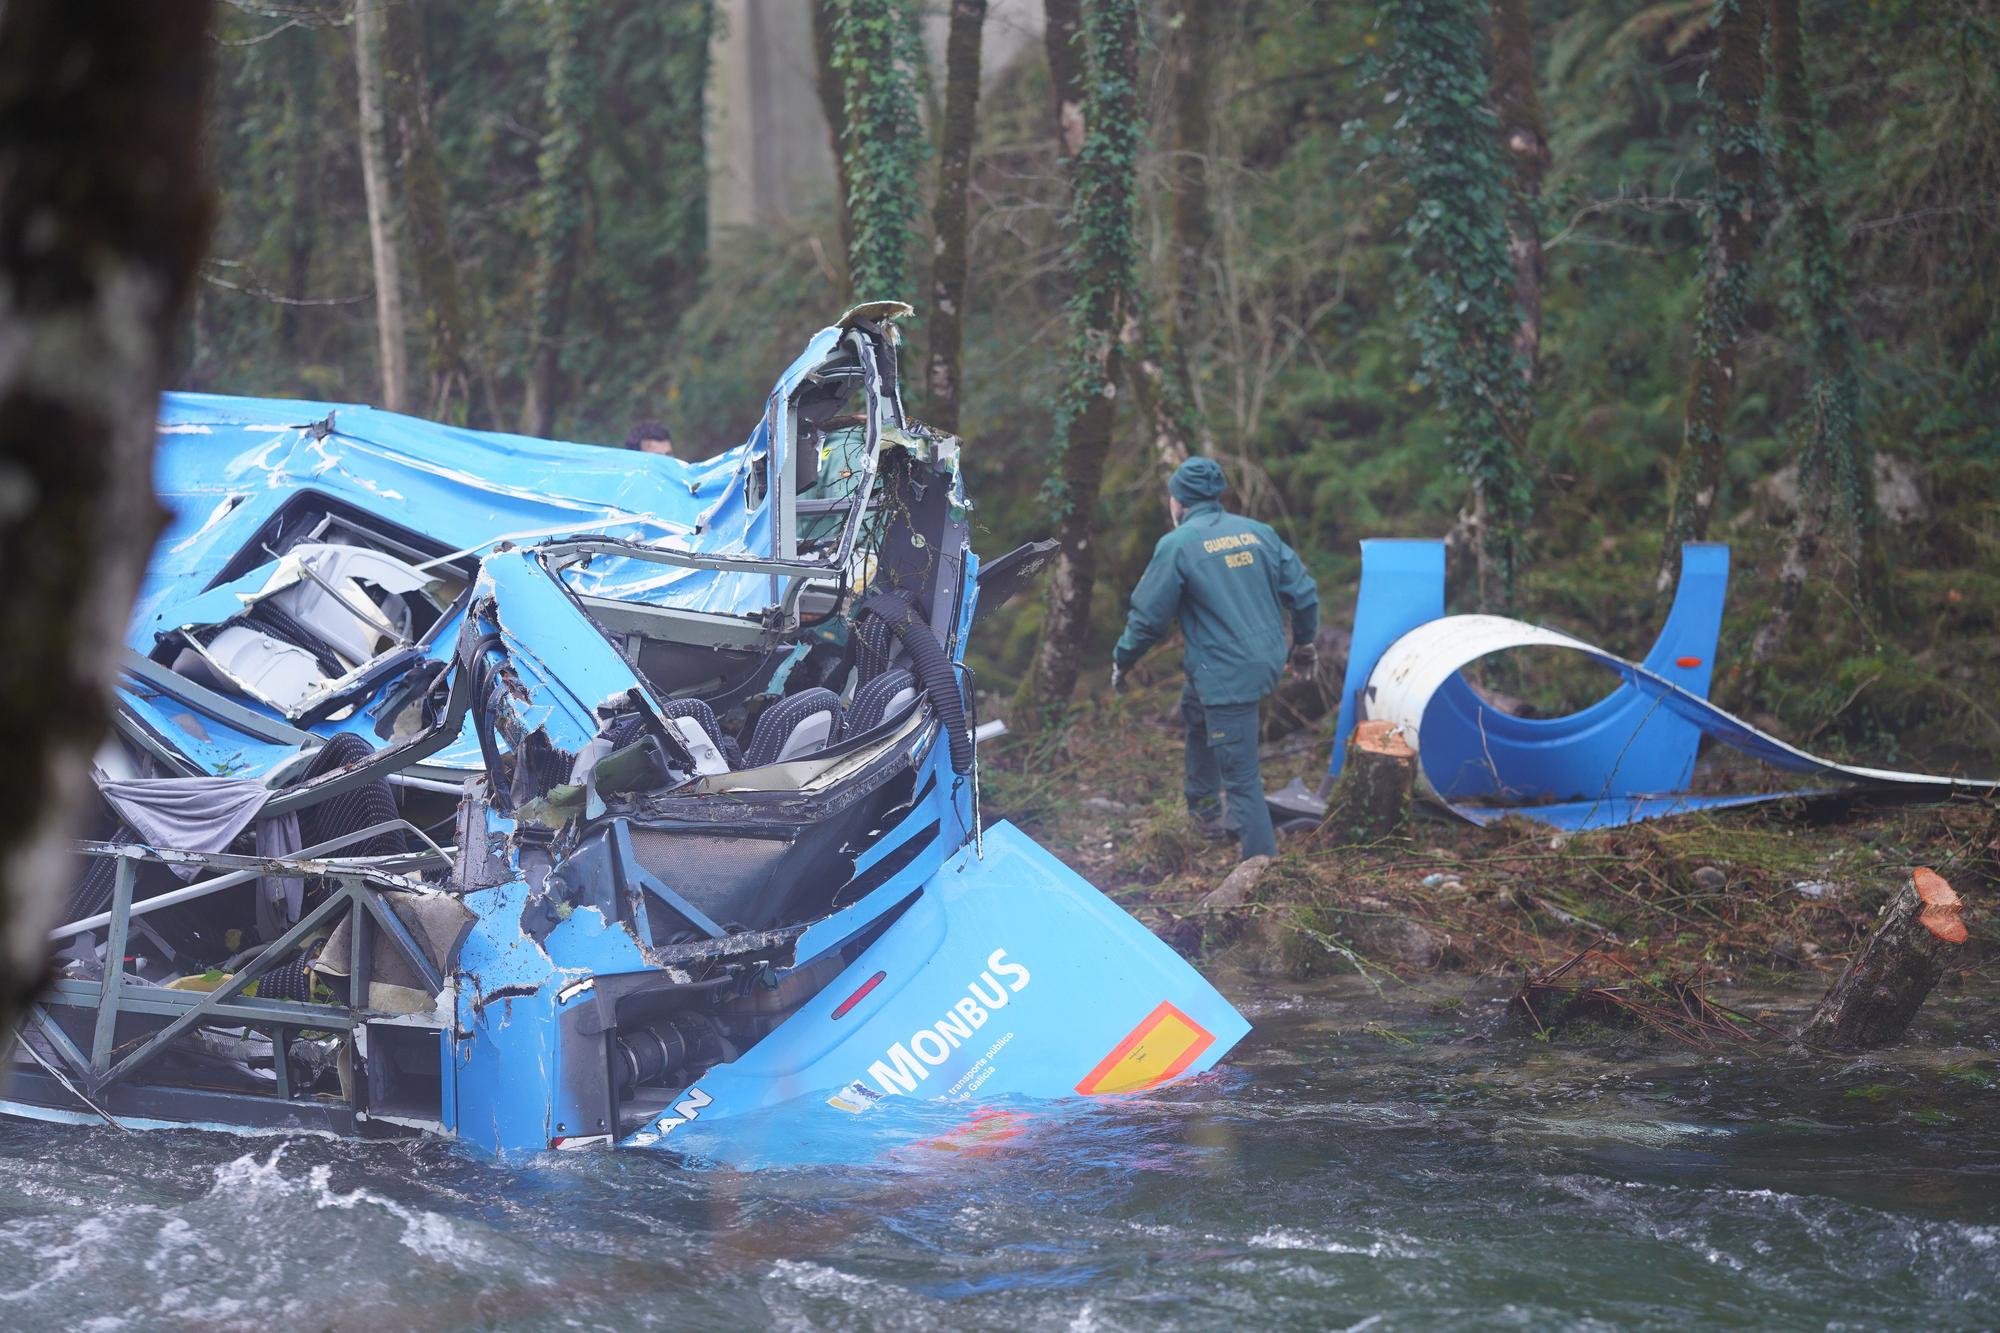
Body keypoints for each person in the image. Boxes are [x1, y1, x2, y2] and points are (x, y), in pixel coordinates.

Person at [1111, 456, 1320, 860]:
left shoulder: (1177, 545)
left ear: (1180, 501)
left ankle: (1262, 868)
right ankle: (1203, 817)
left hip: (1229, 673)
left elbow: (1148, 619)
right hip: (1253, 660)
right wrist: (1305, 644)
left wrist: (1123, 659)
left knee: (1241, 778)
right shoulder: (1258, 533)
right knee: (1195, 711)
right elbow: (1305, 593)